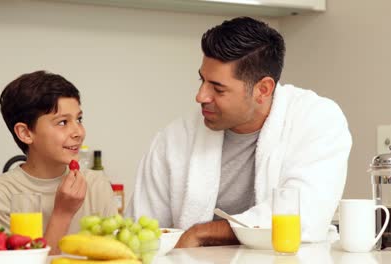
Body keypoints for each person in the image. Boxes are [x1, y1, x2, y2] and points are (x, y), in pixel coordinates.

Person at [127, 16, 352, 247]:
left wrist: (203, 233)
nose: (200, 96)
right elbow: (140, 229)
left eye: (218, 88)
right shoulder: (175, 139)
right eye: (202, 80)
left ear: (262, 89)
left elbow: (304, 214)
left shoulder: (317, 119)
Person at [0, 71, 117, 254]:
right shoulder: (0, 192)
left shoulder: (96, 184)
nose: (78, 132)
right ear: (26, 133)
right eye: (62, 122)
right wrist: (62, 213)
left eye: (79, 119)